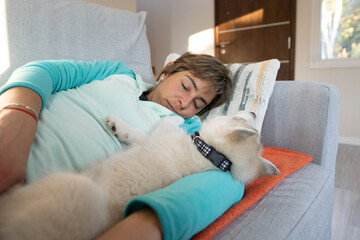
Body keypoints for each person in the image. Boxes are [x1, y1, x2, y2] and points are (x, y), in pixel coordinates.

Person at [0, 52, 245, 239]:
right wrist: (17, 118)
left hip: (44, 207)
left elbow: (227, 177)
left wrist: (150, 222)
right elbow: (43, 71)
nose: (184, 102)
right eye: (185, 86)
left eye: (198, 103)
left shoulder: (185, 130)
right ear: (167, 72)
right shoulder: (117, 72)